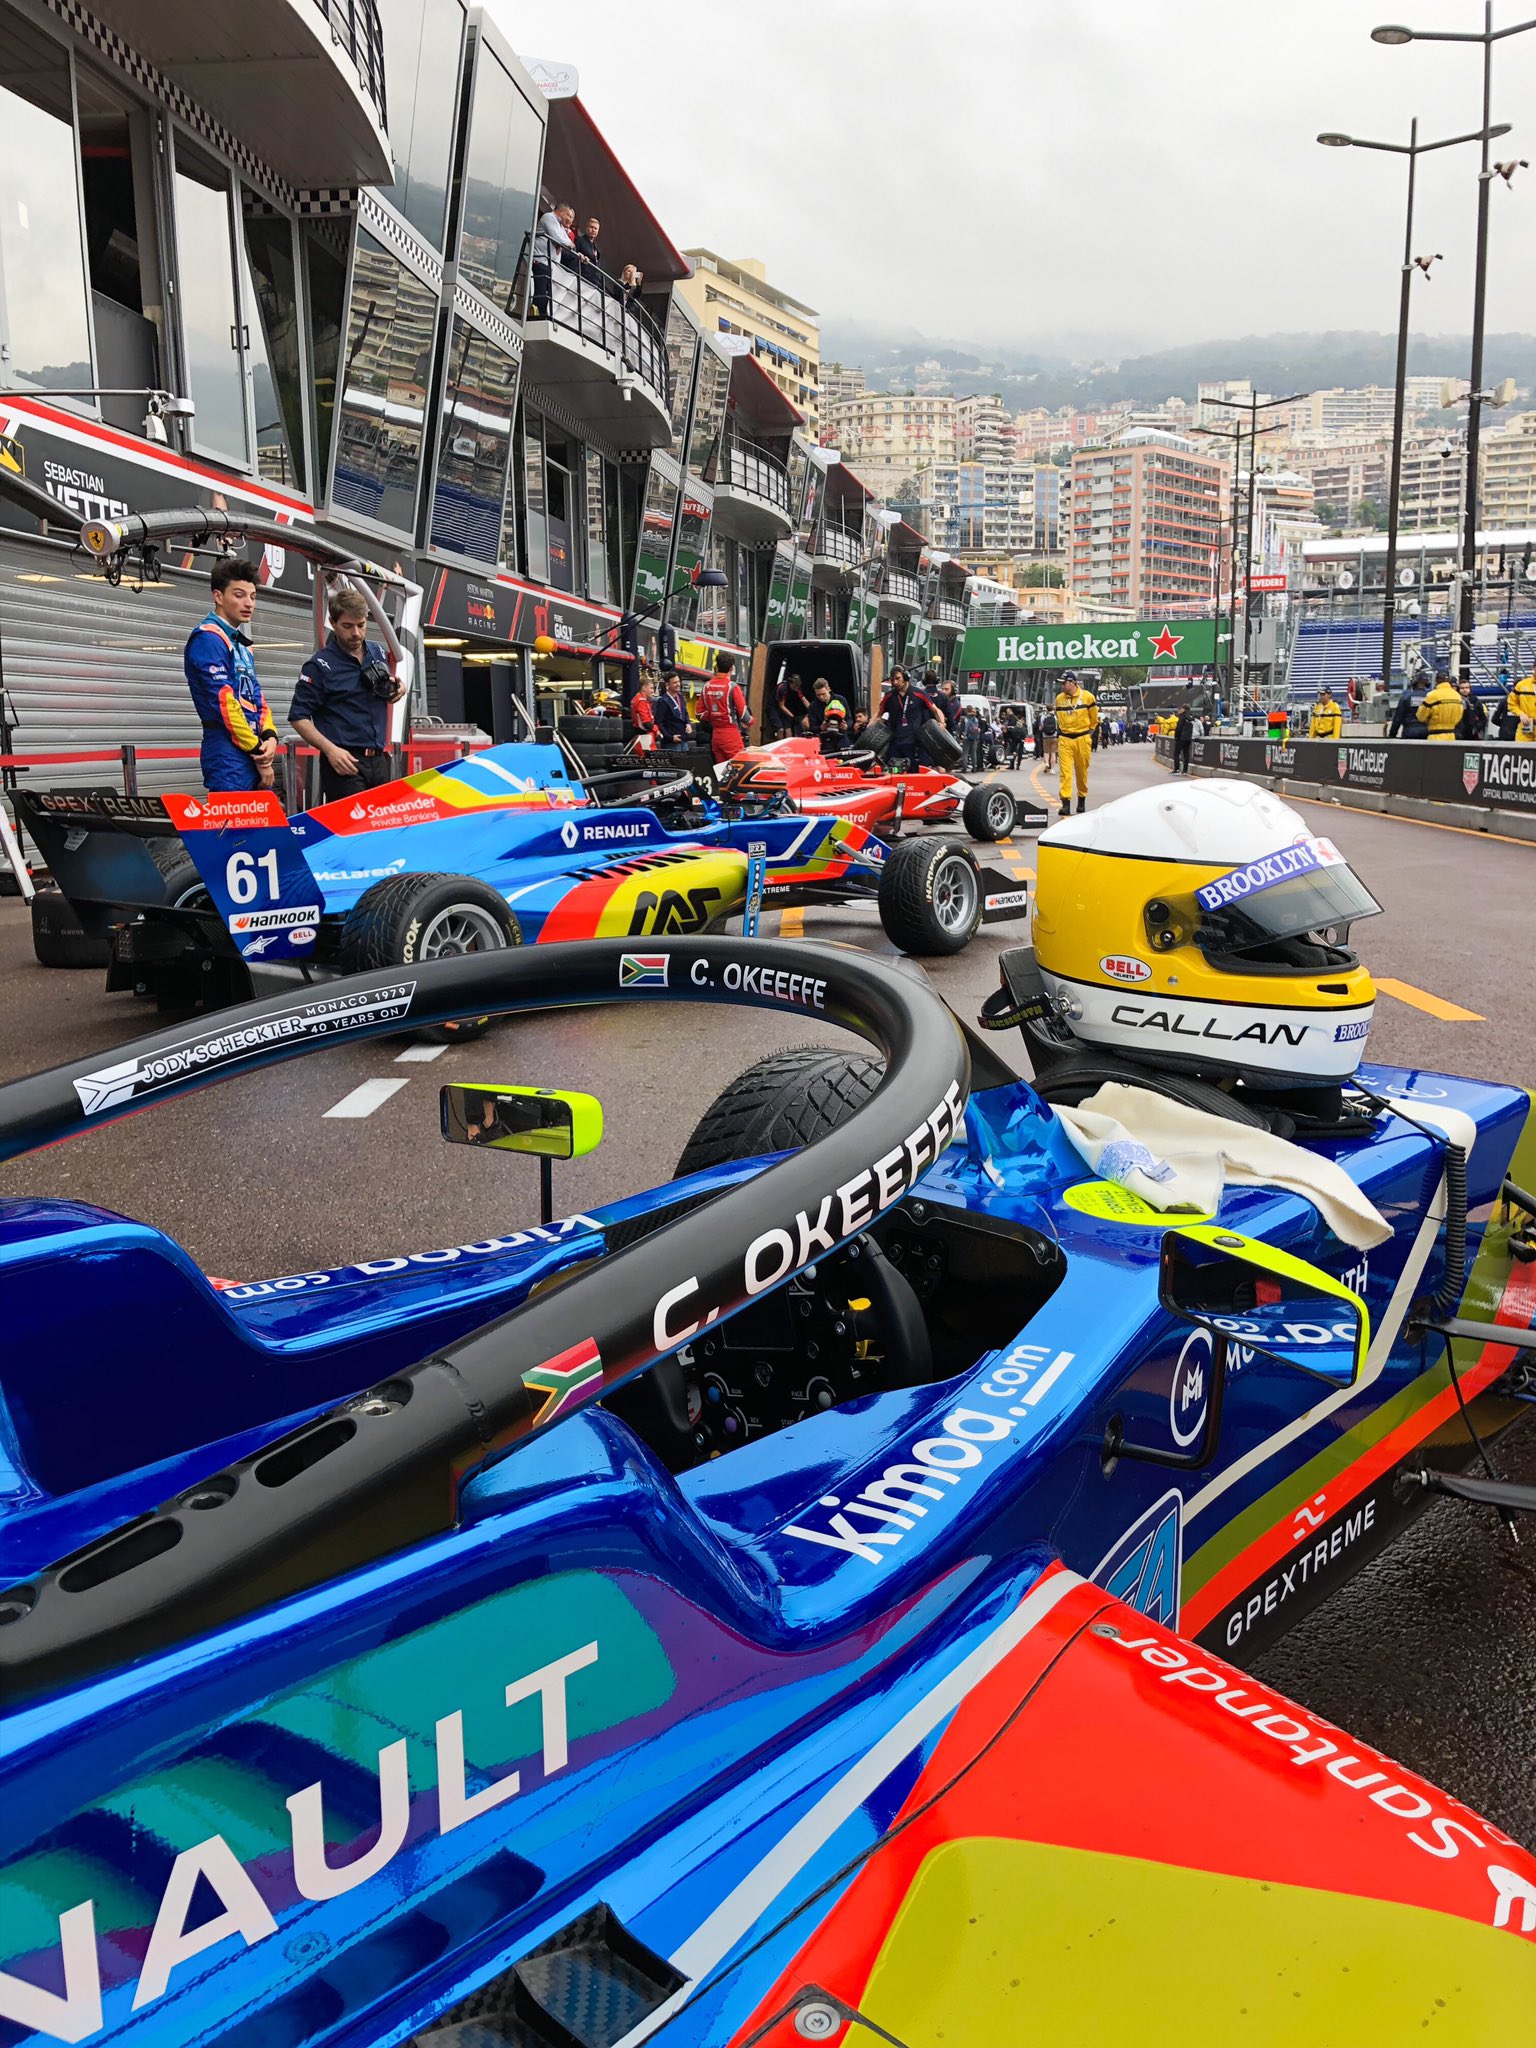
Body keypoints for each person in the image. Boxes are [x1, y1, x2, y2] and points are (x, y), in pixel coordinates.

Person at [289, 585, 404, 802]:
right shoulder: (319, 666)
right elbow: (298, 717)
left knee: (384, 830)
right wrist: (330, 750)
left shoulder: (377, 651)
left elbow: (385, 684)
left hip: (380, 760)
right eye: (348, 626)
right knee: (353, 833)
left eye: (361, 625)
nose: (356, 633)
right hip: (344, 762)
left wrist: (398, 686)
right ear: (333, 623)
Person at [184, 557, 278, 794]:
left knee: (260, 827)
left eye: (253, 597)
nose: (249, 604)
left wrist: (270, 736)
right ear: (218, 596)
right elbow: (223, 702)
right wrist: (259, 751)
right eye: (239, 595)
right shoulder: (208, 638)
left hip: (251, 747)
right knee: (233, 828)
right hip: (226, 751)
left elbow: (257, 695)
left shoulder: (241, 645)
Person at [1054, 670, 1098, 816]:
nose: (1062, 686)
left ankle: (1081, 800)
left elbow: (1094, 719)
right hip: (1065, 738)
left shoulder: (1087, 697)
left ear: (1073, 683)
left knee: (1081, 771)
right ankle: (1065, 802)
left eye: (1064, 683)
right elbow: (1058, 717)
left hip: (1082, 738)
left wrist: (1088, 733)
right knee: (1065, 772)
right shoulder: (1059, 699)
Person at [877, 665, 940, 765]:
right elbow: (878, 716)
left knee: (913, 773)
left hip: (913, 743)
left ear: (906, 677)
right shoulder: (888, 696)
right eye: (893, 680)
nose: (895, 682)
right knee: (892, 772)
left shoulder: (919, 693)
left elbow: (936, 710)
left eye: (898, 678)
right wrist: (871, 729)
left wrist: (942, 724)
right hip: (894, 742)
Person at [698, 650, 749, 763]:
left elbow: (699, 714)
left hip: (716, 735)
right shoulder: (732, 687)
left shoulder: (707, 686)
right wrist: (750, 721)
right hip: (731, 733)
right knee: (738, 768)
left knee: (721, 772)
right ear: (731, 668)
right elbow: (745, 716)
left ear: (717, 666)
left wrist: (713, 714)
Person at [1416, 671, 1463, 742]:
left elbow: (1421, 717)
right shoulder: (1457, 696)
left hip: (1434, 737)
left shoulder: (1432, 695)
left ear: (1436, 681)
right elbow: (1459, 715)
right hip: (1451, 737)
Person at [808, 677, 850, 751]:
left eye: (823, 694)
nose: (821, 697)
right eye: (818, 695)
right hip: (825, 741)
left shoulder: (840, 700)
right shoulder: (813, 706)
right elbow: (812, 727)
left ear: (829, 689)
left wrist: (846, 726)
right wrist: (821, 728)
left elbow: (850, 719)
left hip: (842, 738)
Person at [655, 672, 692, 747]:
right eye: (674, 683)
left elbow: (685, 713)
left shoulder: (680, 697)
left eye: (678, 681)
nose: (678, 684)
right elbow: (658, 722)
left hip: (683, 740)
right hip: (671, 743)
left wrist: (688, 724)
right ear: (668, 685)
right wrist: (670, 737)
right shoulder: (663, 701)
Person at [774, 670, 812, 736]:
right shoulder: (782, 688)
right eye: (795, 686)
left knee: (790, 731)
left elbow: (804, 700)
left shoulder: (797, 688)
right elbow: (781, 706)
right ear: (790, 683)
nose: (796, 688)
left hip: (787, 706)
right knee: (782, 730)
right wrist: (793, 716)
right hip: (776, 706)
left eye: (798, 686)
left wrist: (812, 710)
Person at [628, 670, 658, 751]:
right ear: (644, 688)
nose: (653, 691)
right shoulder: (641, 701)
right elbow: (646, 723)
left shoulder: (637, 699)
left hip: (641, 736)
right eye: (651, 688)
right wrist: (656, 730)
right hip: (645, 737)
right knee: (649, 759)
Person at [1509, 668, 1536, 742]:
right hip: (1525, 728)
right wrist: (1521, 713)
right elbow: (1511, 703)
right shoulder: (1521, 685)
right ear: (1534, 668)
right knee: (1522, 752)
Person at [1170, 702, 1195, 775]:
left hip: (1181, 738)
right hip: (1188, 738)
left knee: (1176, 753)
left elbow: (1179, 728)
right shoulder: (1191, 717)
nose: (1179, 710)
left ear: (1184, 709)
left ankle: (1177, 769)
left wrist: (1176, 736)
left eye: (1180, 709)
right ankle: (1185, 770)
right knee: (1186, 754)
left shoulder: (1182, 716)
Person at [961, 703, 984, 773]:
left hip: (966, 737)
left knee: (965, 753)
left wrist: (961, 735)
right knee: (974, 753)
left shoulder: (965, 719)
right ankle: (974, 767)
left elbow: (962, 728)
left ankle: (964, 767)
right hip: (974, 737)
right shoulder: (976, 719)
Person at [1039, 703, 1058, 771]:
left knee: (1046, 752)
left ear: (1046, 709)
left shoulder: (1043, 716)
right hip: (1054, 736)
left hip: (1046, 737)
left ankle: (1046, 763)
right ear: (1053, 709)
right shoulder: (1055, 717)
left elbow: (1041, 727)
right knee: (1053, 753)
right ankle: (1052, 769)